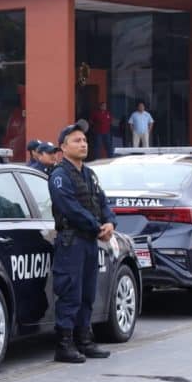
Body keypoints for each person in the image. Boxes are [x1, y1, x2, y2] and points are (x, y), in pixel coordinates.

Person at [48, 122, 116, 363]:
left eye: (85, 140)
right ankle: (64, 345)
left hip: (89, 241)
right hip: (72, 241)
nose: (83, 144)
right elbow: (70, 208)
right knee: (70, 293)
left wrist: (110, 222)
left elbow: (103, 202)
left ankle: (84, 341)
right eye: (77, 140)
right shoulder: (59, 176)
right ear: (63, 147)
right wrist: (97, 227)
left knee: (87, 293)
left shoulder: (89, 175)